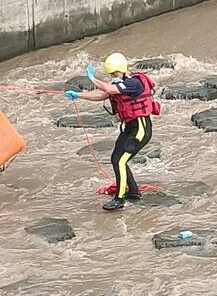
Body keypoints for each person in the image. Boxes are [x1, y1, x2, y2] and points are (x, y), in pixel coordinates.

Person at [64, 52, 161, 211]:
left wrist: (92, 78)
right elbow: (103, 93)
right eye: (111, 74)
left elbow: (108, 88)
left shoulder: (134, 83)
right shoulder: (120, 83)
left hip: (141, 129)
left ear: (123, 70)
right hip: (130, 128)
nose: (113, 76)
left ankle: (120, 198)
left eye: (115, 73)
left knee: (120, 161)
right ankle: (134, 192)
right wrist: (79, 95)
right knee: (116, 158)